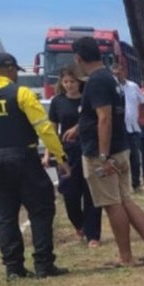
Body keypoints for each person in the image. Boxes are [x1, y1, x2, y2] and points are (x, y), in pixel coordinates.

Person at [0, 52, 70, 280]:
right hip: (24, 158)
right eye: (15, 71)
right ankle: (44, 264)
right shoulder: (21, 93)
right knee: (40, 210)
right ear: (9, 70)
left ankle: (13, 268)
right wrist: (60, 157)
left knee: (5, 216)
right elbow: (44, 128)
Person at [65, 37, 144, 267]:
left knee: (113, 204)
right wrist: (80, 127)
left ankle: (125, 257)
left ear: (78, 58)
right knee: (125, 200)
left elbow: (105, 119)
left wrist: (102, 156)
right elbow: (99, 114)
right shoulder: (108, 78)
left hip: (104, 155)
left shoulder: (97, 81)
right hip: (118, 149)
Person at [43, 65, 102, 248]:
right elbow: (51, 129)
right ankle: (79, 224)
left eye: (73, 81)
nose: (69, 85)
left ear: (79, 81)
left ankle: (93, 234)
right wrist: (48, 153)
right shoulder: (57, 102)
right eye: (66, 82)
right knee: (69, 193)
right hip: (67, 153)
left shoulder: (88, 100)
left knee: (91, 193)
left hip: (89, 148)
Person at [111, 63, 144, 192]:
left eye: (119, 73)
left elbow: (142, 101)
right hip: (119, 128)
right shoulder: (113, 88)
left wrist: (141, 117)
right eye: (114, 74)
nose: (117, 76)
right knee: (120, 158)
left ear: (124, 72)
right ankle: (121, 186)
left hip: (133, 127)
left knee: (135, 157)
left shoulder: (133, 86)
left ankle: (136, 184)